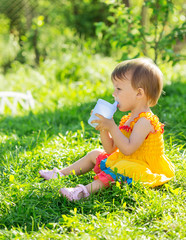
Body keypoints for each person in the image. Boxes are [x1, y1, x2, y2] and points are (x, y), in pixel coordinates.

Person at [39, 58, 175, 201]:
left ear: (139, 93)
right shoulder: (128, 119)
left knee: (121, 167)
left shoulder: (145, 121)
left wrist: (111, 126)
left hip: (144, 167)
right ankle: (60, 173)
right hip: (127, 161)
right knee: (96, 153)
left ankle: (82, 192)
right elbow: (111, 150)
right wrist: (104, 128)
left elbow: (128, 149)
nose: (114, 94)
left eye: (119, 89)